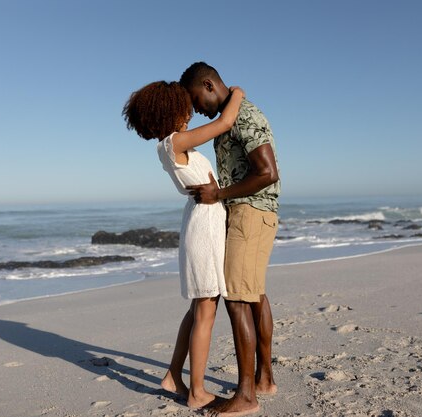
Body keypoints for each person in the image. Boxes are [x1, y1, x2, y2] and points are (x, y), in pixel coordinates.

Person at [122, 81, 245, 409]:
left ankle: (174, 375)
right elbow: (224, 123)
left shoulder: (168, 146)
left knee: (198, 308)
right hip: (203, 228)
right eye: (184, 107)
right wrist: (238, 95)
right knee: (206, 309)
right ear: (168, 112)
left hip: (202, 222)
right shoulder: (174, 142)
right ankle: (197, 391)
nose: (189, 112)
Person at [181, 62, 280, 417]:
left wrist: (219, 195)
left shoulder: (243, 116)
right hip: (251, 213)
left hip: (250, 213)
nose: (195, 110)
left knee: (237, 299)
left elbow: (268, 172)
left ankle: (246, 394)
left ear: (208, 84)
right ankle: (265, 379)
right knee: (253, 295)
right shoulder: (234, 112)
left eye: (196, 100)